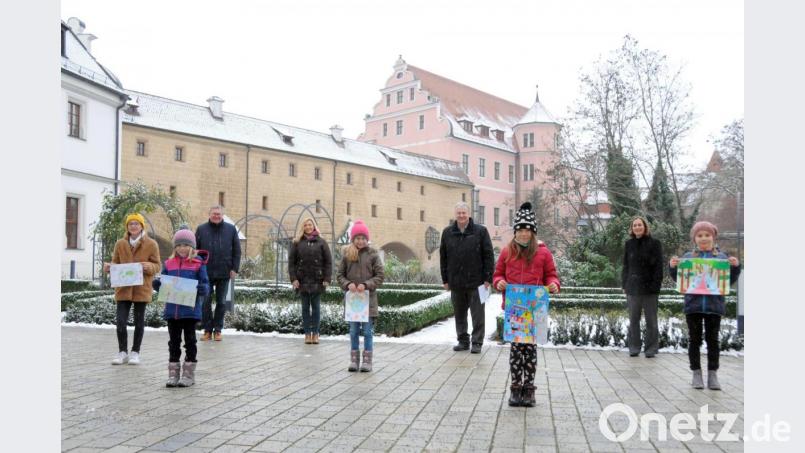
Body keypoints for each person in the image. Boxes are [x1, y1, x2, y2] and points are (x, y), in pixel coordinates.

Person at [493, 202, 560, 407]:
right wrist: (499, 283)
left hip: (535, 309)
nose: (523, 234)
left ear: (533, 233)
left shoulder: (543, 253)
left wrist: (553, 284)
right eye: (520, 230)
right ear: (515, 232)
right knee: (516, 351)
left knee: (530, 351)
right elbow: (498, 274)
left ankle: (529, 390)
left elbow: (551, 275)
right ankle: (515, 388)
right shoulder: (507, 252)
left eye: (527, 230)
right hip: (515, 310)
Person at [670, 221, 741, 390]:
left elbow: (729, 281)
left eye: (707, 235)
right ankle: (696, 373)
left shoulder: (722, 258)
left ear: (713, 237)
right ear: (694, 238)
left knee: (713, 340)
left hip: (714, 307)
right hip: (693, 306)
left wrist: (736, 267)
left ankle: (712, 374)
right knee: (694, 340)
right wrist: (672, 268)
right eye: (700, 235)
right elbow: (680, 280)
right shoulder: (687, 258)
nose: (704, 238)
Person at [153, 228, 209, 387]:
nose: (182, 248)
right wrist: (158, 285)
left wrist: (202, 289)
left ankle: (189, 374)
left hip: (190, 311)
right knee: (174, 342)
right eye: (179, 245)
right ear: (175, 247)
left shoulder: (198, 264)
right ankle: (173, 374)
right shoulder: (169, 264)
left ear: (191, 246)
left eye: (185, 245)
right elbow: (164, 283)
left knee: (190, 341)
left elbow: (205, 284)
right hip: (172, 311)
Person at [103, 213, 161, 365]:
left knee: (139, 322)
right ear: (127, 227)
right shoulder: (120, 244)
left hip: (141, 288)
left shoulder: (151, 244)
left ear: (142, 226)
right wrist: (109, 268)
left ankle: (135, 352)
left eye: (136, 223)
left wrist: (150, 267)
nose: (133, 226)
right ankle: (122, 352)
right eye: (130, 224)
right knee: (121, 322)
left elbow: (158, 266)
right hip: (123, 289)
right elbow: (116, 263)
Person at [439, 201, 495, 354]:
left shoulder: (481, 231)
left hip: (477, 283)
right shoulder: (447, 233)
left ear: (469, 214)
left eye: (464, 213)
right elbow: (443, 257)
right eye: (459, 213)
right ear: (455, 215)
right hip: (456, 282)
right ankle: (463, 341)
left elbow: (488, 255)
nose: (461, 216)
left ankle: (477, 342)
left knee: (478, 315)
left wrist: (488, 278)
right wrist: (445, 279)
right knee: (459, 315)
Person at [336, 220, 384, 372]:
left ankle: (367, 361)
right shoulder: (347, 255)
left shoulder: (373, 255)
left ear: (367, 239)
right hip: (353, 303)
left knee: (368, 331)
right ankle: (354, 360)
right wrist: (347, 284)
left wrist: (366, 284)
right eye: (358, 238)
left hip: (368, 301)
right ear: (353, 239)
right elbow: (339, 275)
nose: (361, 241)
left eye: (363, 238)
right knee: (353, 331)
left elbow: (380, 275)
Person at [195, 205, 241, 341]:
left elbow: (237, 251)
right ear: (209, 214)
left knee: (221, 302)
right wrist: (196, 267)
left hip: (224, 271)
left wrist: (235, 268)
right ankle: (207, 330)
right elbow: (195, 250)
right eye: (214, 213)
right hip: (205, 272)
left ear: (223, 215)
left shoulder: (231, 229)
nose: (216, 216)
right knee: (205, 302)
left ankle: (218, 329)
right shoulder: (201, 229)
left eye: (219, 214)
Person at [621, 216, 664, 358]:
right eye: (635, 225)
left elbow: (659, 267)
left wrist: (655, 286)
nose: (637, 227)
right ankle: (634, 347)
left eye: (640, 225)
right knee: (634, 319)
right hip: (633, 288)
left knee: (651, 320)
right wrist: (624, 284)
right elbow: (626, 266)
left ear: (645, 227)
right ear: (632, 228)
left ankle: (651, 348)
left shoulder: (655, 243)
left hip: (650, 289)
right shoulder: (629, 244)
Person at [288, 217, 333, 344]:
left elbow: (328, 262)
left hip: (317, 280)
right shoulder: (297, 243)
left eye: (310, 224)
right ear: (303, 227)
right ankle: (307, 334)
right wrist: (293, 279)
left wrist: (327, 278)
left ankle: (316, 334)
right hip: (302, 280)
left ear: (314, 226)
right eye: (306, 225)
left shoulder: (322, 242)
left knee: (316, 308)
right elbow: (291, 263)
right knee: (305, 309)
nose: (308, 227)